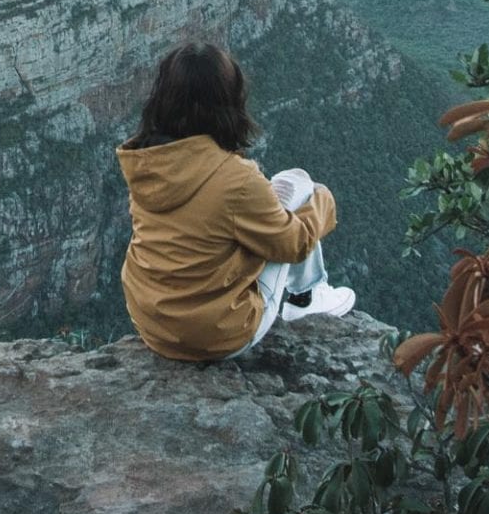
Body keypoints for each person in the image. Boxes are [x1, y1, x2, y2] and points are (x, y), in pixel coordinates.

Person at [117, 41, 355, 363]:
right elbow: (293, 245)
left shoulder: (146, 161)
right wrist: (323, 201)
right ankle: (307, 299)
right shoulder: (237, 180)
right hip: (216, 336)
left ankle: (306, 291)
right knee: (304, 190)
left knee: (283, 188)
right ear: (228, 100)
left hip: (153, 325)